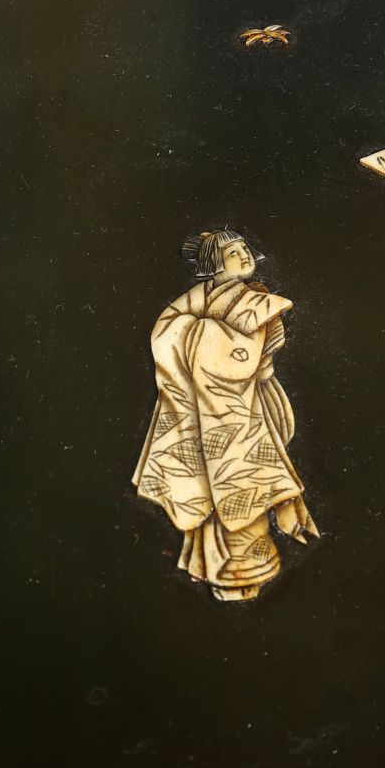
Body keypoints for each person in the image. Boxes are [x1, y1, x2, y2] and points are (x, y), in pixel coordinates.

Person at [133, 228, 319, 601]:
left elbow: (246, 359)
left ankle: (248, 573)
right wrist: (202, 334)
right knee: (205, 486)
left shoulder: (257, 300)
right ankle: (214, 571)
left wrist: (202, 335)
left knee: (244, 482)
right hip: (195, 412)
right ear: (213, 262)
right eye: (233, 252)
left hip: (243, 410)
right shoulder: (188, 303)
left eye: (245, 248)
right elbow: (166, 338)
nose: (245, 255)